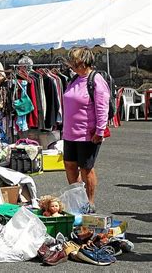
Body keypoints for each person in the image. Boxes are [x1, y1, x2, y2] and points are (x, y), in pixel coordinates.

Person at [63, 46, 110, 213]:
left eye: (73, 62)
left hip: (87, 134)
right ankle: (77, 200)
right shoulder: (74, 79)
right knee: (69, 165)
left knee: (86, 168)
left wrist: (99, 131)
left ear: (82, 62)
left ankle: (89, 203)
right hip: (70, 132)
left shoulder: (96, 80)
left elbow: (102, 107)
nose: (70, 65)